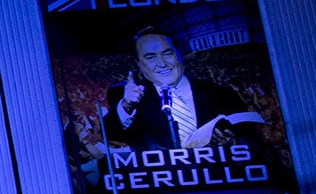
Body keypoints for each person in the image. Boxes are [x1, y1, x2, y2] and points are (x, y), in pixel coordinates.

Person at [103, 27, 260, 153]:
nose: (162, 64)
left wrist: (231, 143)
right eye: (150, 57)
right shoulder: (124, 96)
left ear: (180, 55)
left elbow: (254, 144)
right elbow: (109, 136)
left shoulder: (221, 93)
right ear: (139, 64)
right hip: (162, 183)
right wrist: (127, 105)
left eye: (168, 53)